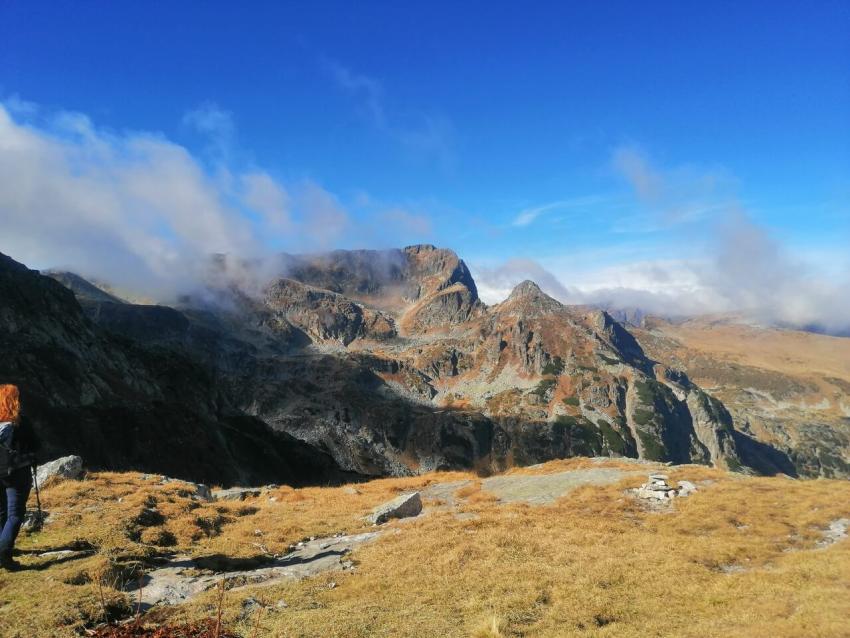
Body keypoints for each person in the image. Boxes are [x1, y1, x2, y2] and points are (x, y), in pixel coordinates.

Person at [0, 384, 40, 571]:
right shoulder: (21, 422)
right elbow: (36, 445)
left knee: (1, 513)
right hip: (17, 473)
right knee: (15, 514)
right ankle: (4, 555)